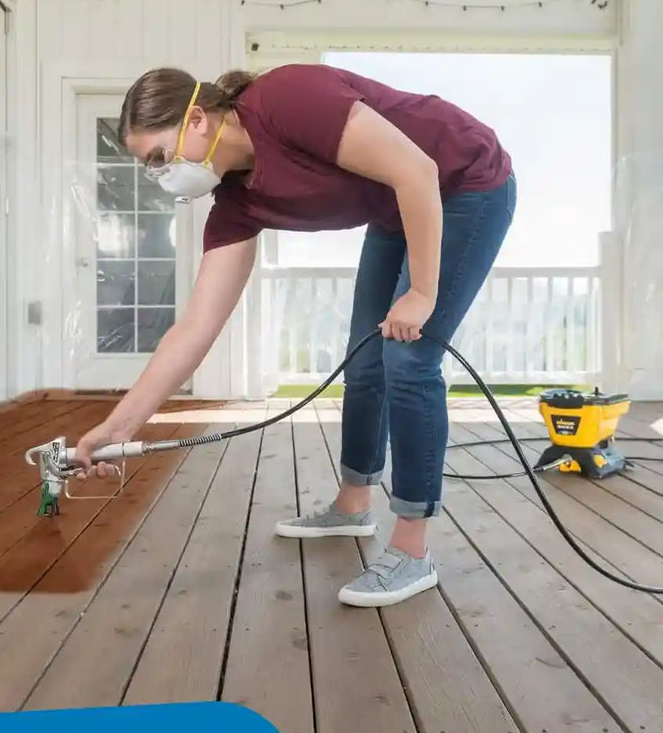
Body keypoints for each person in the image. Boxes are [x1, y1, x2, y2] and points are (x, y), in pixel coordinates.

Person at [74, 64, 514, 608]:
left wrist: (422, 292)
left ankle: (412, 550)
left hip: (464, 182)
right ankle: (353, 505)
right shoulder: (236, 205)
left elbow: (418, 170)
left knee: (408, 358)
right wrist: (118, 427)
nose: (162, 175)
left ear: (196, 120)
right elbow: (194, 328)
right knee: (364, 361)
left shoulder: (287, 99)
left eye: (159, 158)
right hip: (396, 207)